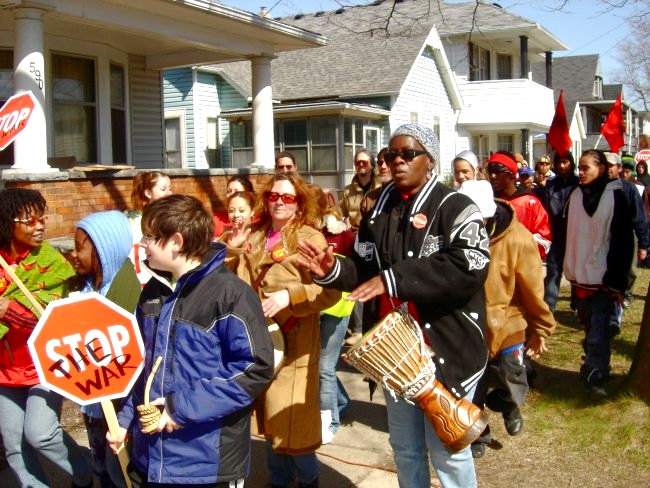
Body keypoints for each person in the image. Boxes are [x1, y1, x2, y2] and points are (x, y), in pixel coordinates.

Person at [298, 124, 490, 488]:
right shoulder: (379, 209)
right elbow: (364, 266)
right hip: (394, 350)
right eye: (391, 155)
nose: (396, 162)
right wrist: (332, 269)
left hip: (445, 346)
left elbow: (470, 267)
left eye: (408, 154)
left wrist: (394, 279)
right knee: (405, 449)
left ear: (429, 160)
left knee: (448, 450)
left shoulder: (456, 206)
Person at [108, 194, 274, 487]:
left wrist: (179, 408)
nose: (142, 244)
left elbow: (255, 368)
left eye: (149, 237)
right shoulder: (151, 294)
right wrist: (124, 420)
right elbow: (142, 366)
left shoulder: (230, 294)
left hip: (207, 463)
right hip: (152, 458)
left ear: (176, 241)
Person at [225, 172, 340, 488]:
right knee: (272, 424)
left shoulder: (310, 239)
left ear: (299, 203)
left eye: (287, 197)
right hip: (258, 342)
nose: (279, 201)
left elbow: (331, 292)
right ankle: (278, 481)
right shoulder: (254, 236)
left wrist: (290, 296)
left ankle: (309, 481)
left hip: (295, 346)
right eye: (274, 196)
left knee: (292, 425)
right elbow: (232, 283)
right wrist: (232, 251)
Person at [0, 188, 94, 488]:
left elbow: (55, 320)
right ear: (6, 223)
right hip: (4, 372)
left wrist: (11, 309)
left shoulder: (53, 264)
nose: (40, 225)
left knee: (40, 433)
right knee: (15, 447)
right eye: (29, 220)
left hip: (43, 367)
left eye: (42, 217)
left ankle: (88, 474)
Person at [458, 180, 555, 459]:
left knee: (514, 377)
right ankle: (479, 433)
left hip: (508, 320)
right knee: (471, 386)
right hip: (468, 325)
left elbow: (534, 289)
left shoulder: (518, 238)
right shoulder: (453, 235)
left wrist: (541, 328)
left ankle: (508, 402)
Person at [72, 210, 141, 488]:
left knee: (120, 470)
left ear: (104, 249)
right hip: (91, 400)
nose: (73, 255)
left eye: (80, 248)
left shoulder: (128, 293)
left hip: (118, 407)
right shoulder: (84, 289)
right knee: (100, 465)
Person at [564, 149, 635, 397]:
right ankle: (593, 365)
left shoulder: (616, 196)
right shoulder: (574, 196)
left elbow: (624, 241)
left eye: (586, 168)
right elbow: (569, 235)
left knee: (599, 327)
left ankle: (597, 372)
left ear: (601, 168)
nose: (580, 173)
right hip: (580, 276)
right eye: (579, 168)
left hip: (605, 278)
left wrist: (616, 280)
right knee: (588, 323)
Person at [314, 187, 355, 445]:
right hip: (315, 306)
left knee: (324, 368)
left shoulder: (343, 233)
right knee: (321, 365)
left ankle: (330, 421)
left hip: (338, 306)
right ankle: (341, 401)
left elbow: (353, 269)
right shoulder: (306, 232)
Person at [534, 151, 579, 312]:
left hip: (574, 234)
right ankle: (548, 306)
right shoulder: (551, 184)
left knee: (575, 272)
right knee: (554, 271)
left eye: (565, 162)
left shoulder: (579, 183)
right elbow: (544, 207)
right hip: (555, 234)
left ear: (571, 163)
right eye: (559, 162)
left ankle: (577, 305)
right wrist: (542, 188)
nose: (562, 165)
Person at [487, 151, 552, 259]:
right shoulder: (488, 202)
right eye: (490, 172)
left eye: (498, 172)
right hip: (493, 269)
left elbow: (545, 241)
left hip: (522, 268)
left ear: (511, 174)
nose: (492, 176)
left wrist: (516, 249)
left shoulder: (530, 202)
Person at [127, 171, 172, 286]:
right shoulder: (135, 219)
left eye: (170, 188)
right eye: (163, 189)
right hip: (143, 276)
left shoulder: (171, 216)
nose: (169, 193)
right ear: (148, 193)